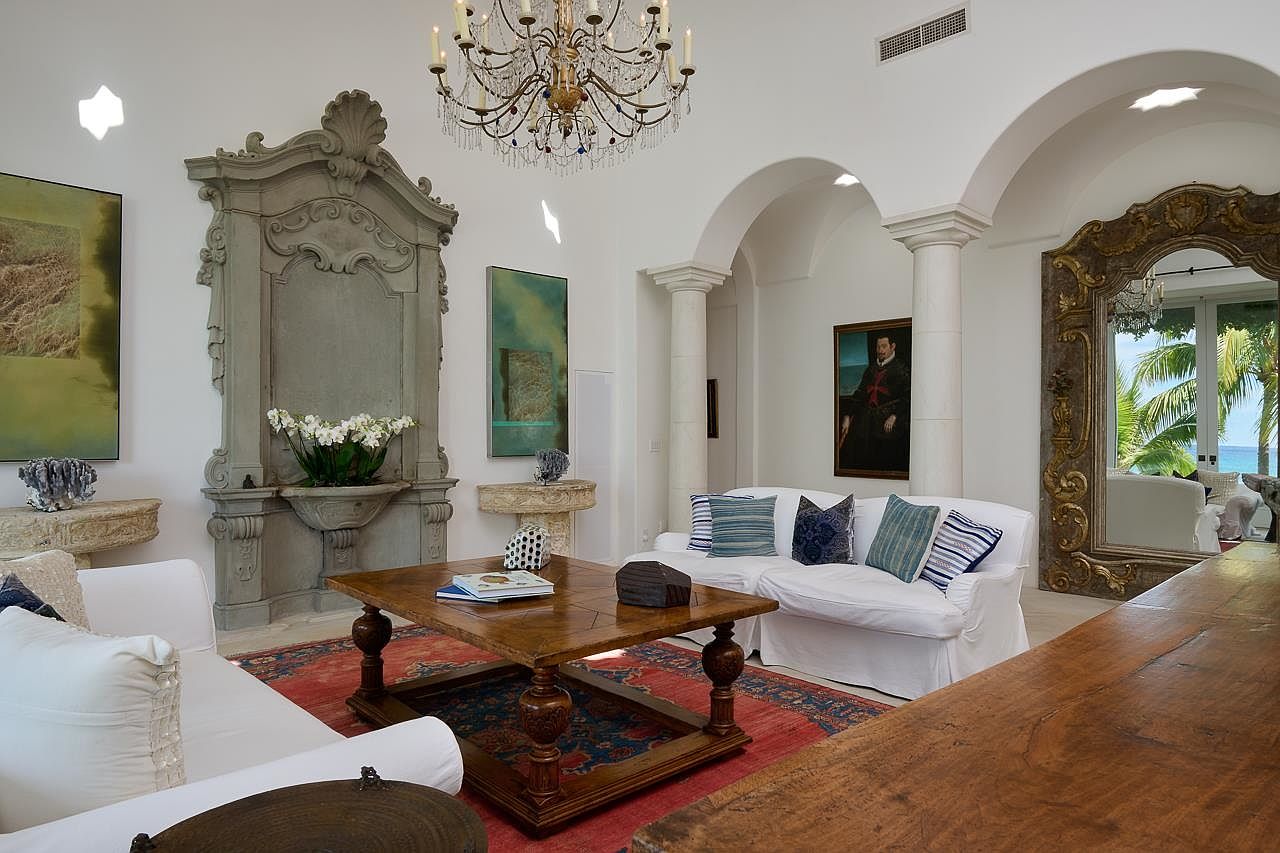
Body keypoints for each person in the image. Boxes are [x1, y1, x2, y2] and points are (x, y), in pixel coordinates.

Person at [838, 333, 910, 473]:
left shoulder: (901, 369)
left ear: (892, 347)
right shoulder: (871, 369)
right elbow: (860, 393)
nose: (880, 350)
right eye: (878, 347)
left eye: (884, 346)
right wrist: (847, 415)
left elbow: (907, 396)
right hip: (868, 424)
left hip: (889, 425)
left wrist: (894, 416)